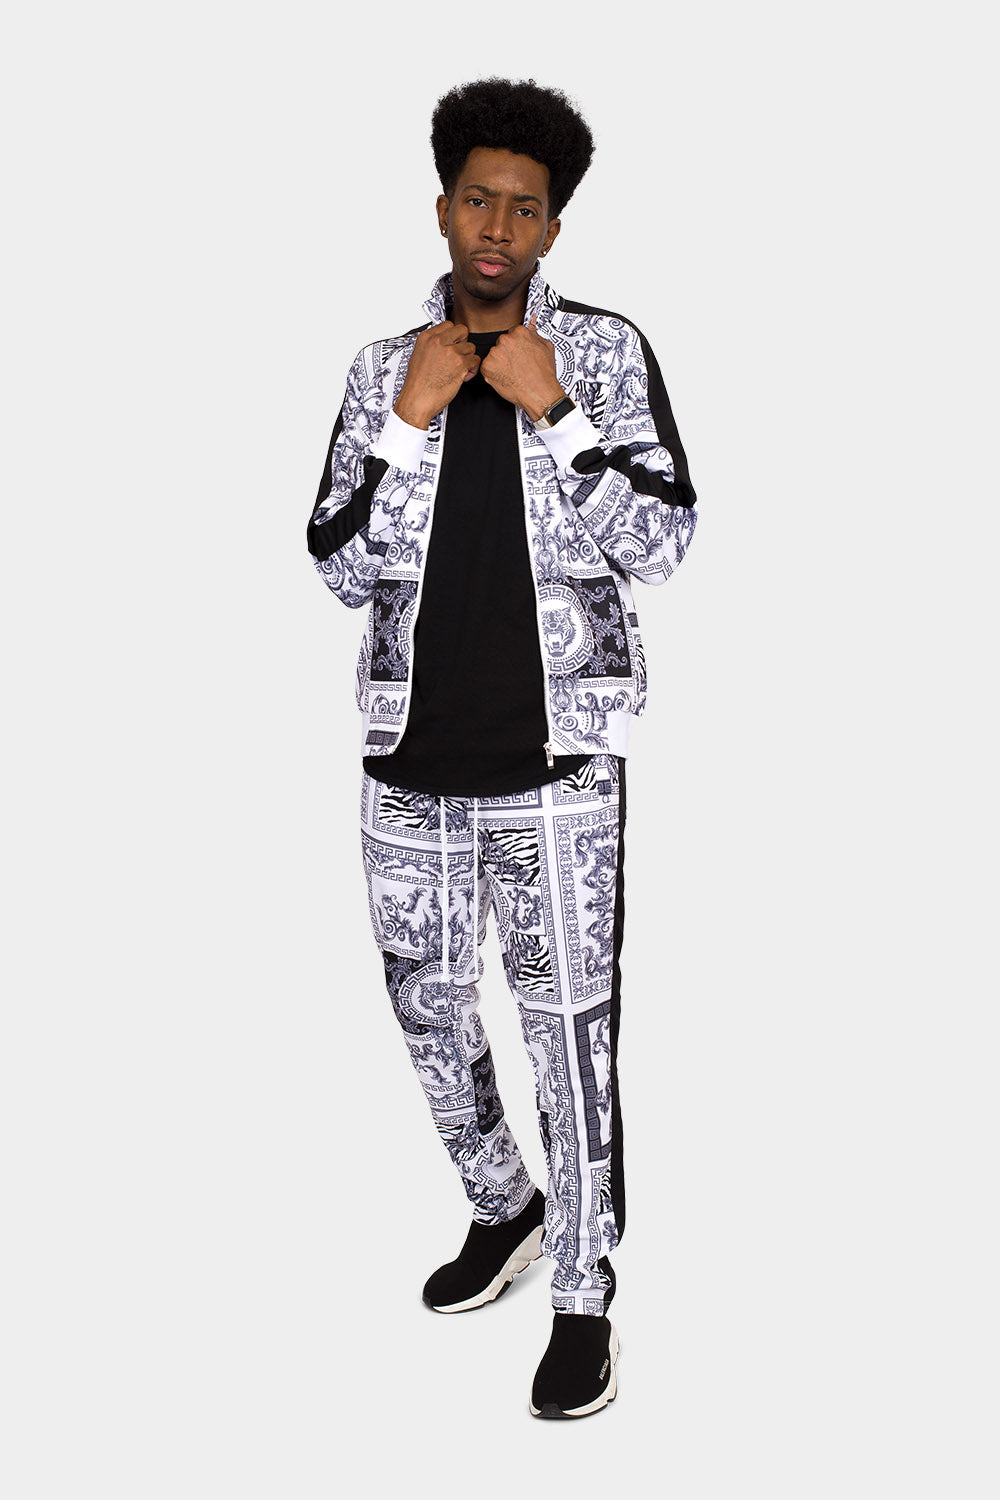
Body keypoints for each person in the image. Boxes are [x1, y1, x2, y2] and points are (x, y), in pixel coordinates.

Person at [306, 77, 697, 1419]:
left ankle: (583, 1294)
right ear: (443, 208)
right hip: (405, 767)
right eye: (478, 199)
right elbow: (339, 569)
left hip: (557, 770)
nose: (497, 227)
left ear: (551, 230)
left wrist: (559, 414)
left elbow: (663, 542)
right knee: (428, 1015)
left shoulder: (603, 354)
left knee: (567, 1036)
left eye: (524, 210)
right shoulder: (382, 370)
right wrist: (407, 423)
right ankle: (504, 1204)